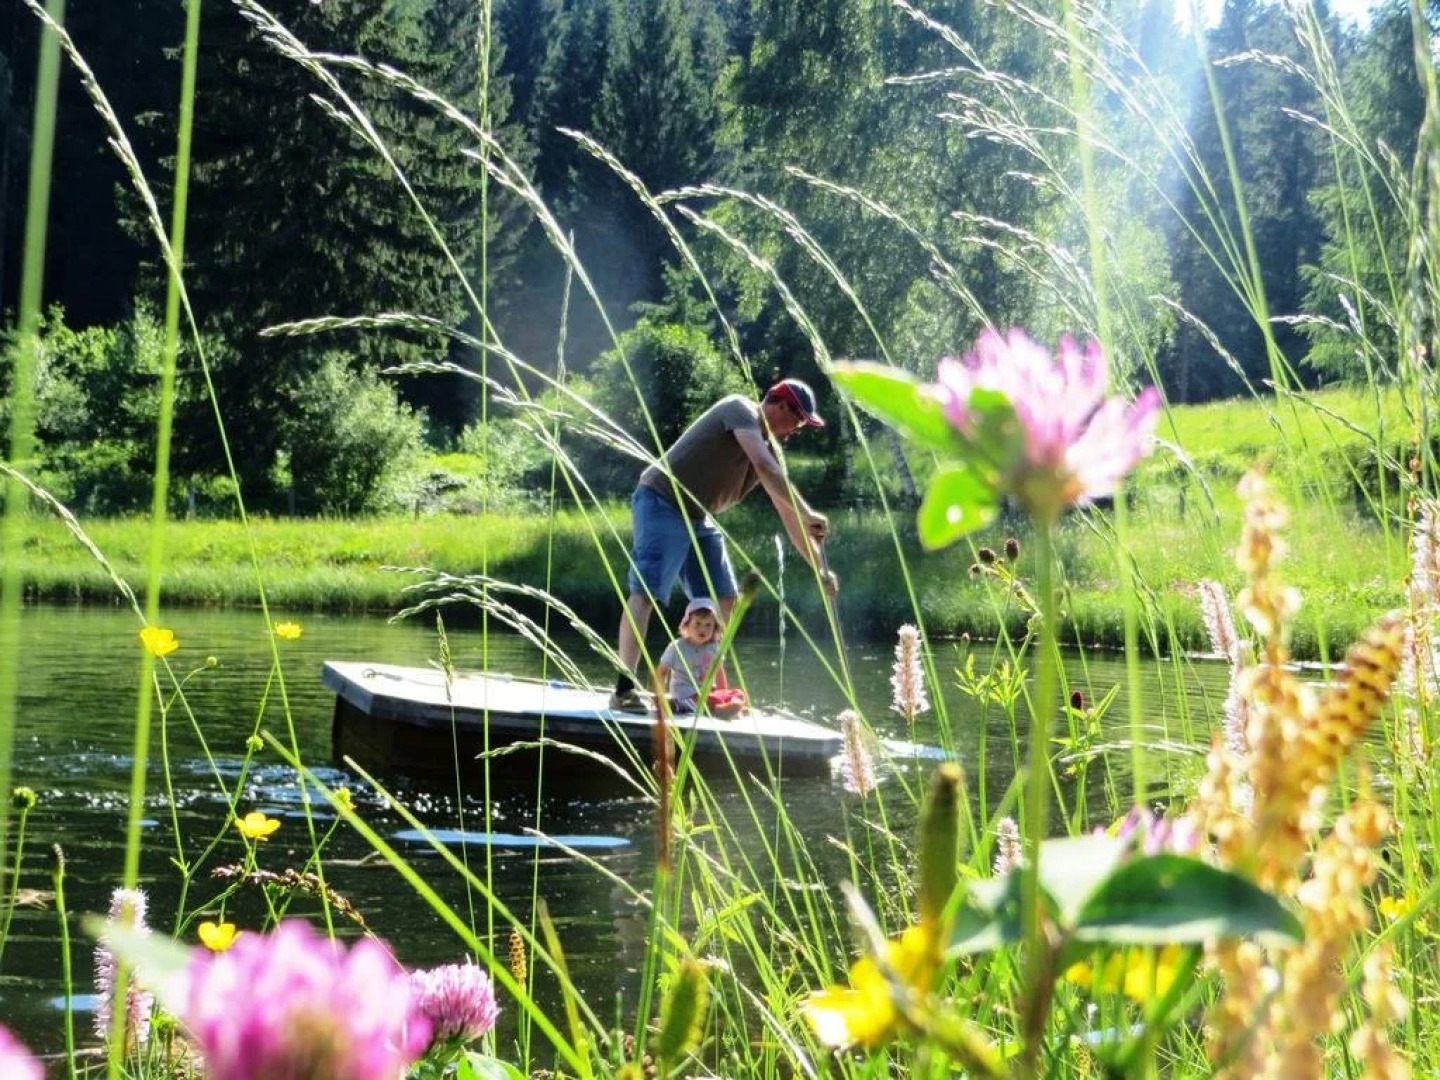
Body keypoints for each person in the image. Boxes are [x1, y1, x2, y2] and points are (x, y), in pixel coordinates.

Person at [611, 378, 838, 712]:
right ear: (780, 406)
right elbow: (764, 466)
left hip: (698, 517)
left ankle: (705, 691)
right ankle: (623, 691)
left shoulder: (770, 449)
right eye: (799, 420)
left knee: (725, 598)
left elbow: (789, 517)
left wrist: (820, 569)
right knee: (647, 592)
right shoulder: (741, 410)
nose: (798, 429)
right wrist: (807, 511)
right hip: (662, 501)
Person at [655, 597, 747, 718]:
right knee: (700, 699)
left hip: (708, 692)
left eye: (708, 625)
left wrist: (722, 695)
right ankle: (717, 710)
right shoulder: (676, 647)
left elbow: (718, 672)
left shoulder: (714, 648)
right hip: (685, 693)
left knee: (738, 694)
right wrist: (659, 696)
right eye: (697, 624)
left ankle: (723, 706)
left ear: (715, 627)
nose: (702, 629)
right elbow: (661, 672)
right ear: (687, 624)